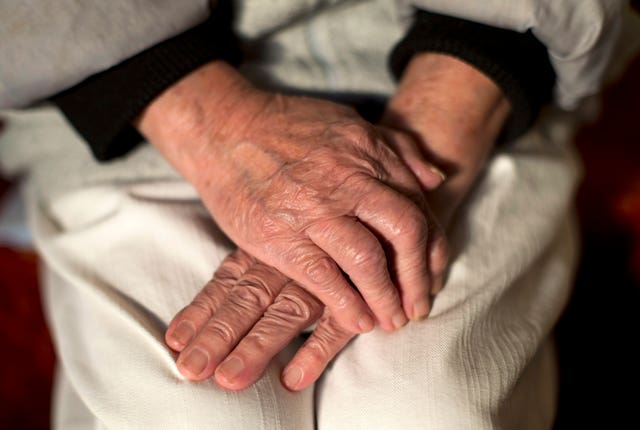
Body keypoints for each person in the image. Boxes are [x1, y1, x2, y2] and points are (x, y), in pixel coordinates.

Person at [0, 1, 636, 428]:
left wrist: (410, 167)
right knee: (194, 412)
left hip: (481, 80)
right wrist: (209, 123)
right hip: (129, 104)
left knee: (424, 411)